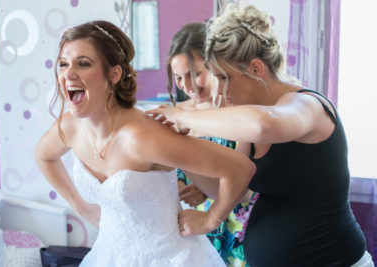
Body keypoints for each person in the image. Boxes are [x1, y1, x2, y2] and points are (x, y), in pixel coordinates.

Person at [146, 4, 373, 267]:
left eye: (224, 77)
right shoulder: (252, 119)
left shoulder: (307, 105)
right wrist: (178, 141)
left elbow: (264, 126)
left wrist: (181, 115)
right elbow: (226, 187)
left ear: (255, 68)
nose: (220, 90)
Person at [34, 20, 256, 266]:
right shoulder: (69, 128)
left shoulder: (142, 135)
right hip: (109, 255)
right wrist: (81, 207)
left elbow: (240, 169)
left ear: (114, 74)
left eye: (83, 63)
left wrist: (210, 219)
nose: (68, 73)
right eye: (63, 64)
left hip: (170, 257)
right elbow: (44, 156)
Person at [168, 22, 258, 266]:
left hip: (239, 222)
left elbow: (240, 178)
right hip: (197, 225)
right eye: (178, 77)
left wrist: (204, 185)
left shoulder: (239, 109)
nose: (187, 86)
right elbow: (173, 167)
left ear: (215, 64)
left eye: (195, 73)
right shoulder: (178, 113)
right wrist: (182, 185)